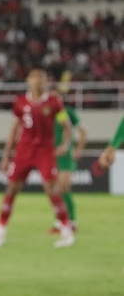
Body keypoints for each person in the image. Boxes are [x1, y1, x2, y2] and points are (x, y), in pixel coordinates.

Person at [0, 68, 75, 249]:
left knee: (52, 189)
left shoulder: (54, 102)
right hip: (23, 151)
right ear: (28, 81)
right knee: (11, 189)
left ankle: (66, 231)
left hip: (45, 151)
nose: (38, 81)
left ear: (46, 82)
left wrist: (65, 144)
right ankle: (0, 232)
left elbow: (67, 126)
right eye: (34, 78)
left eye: (41, 79)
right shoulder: (20, 103)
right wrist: (6, 156)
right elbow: (14, 130)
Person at [50, 75, 87, 233]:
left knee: (62, 189)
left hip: (66, 157)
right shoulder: (49, 115)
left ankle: (70, 222)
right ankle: (62, 222)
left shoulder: (68, 113)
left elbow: (83, 132)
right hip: (53, 157)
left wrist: (78, 149)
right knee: (57, 191)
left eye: (55, 96)